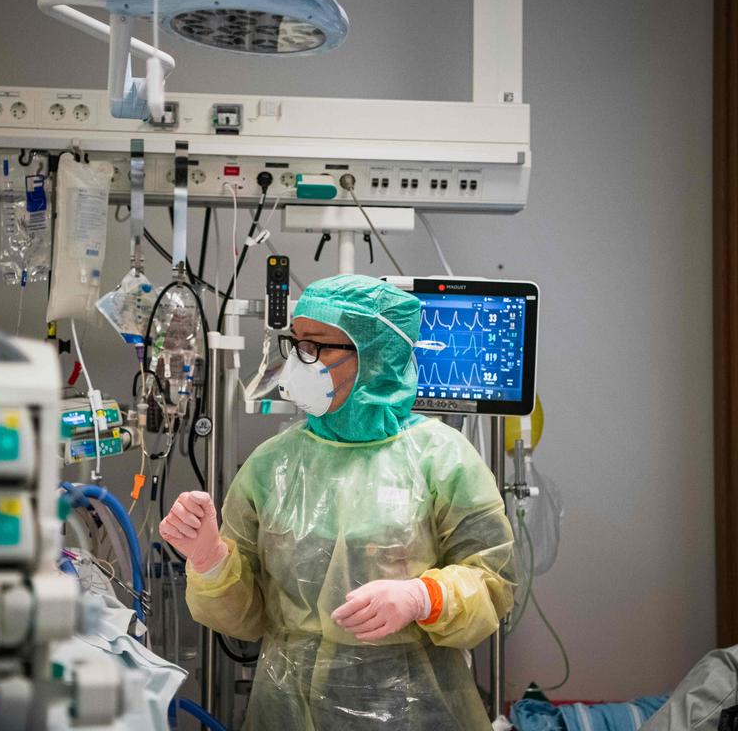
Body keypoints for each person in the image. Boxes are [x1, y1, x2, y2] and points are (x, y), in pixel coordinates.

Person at [159, 274, 517, 729]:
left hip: (415, 708)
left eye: (320, 347)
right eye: (298, 344)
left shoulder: (441, 459)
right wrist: (209, 560)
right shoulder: (273, 466)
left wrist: (421, 596)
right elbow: (248, 618)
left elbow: (494, 583)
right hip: (288, 708)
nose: (302, 361)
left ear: (376, 356)